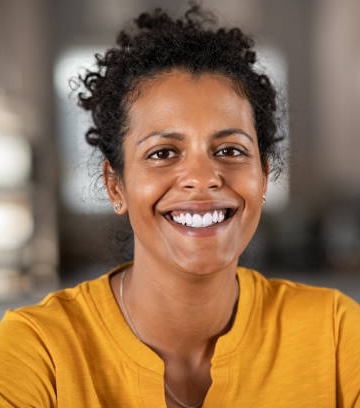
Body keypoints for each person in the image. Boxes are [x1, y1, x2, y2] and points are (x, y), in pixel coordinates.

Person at [1, 4, 360, 408]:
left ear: (262, 176)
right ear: (115, 185)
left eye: (229, 149)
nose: (203, 177)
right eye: (163, 153)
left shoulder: (335, 336)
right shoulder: (38, 351)